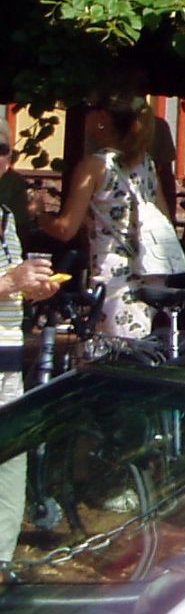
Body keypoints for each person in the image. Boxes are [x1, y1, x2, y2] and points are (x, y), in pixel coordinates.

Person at [38, 93, 170, 339]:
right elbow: (165, 219)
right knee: (136, 353)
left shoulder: (94, 166)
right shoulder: (146, 165)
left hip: (113, 276)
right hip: (149, 272)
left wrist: (38, 216)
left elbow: (65, 229)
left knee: (108, 356)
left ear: (101, 118)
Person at [1, 178, 62, 562]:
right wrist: (11, 280)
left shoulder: (5, 217)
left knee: (9, 467)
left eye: (5, 150)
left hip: (7, 360)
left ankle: (2, 568)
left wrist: (33, 288)